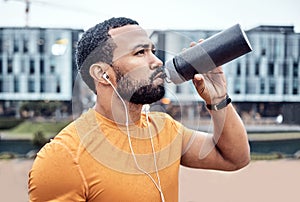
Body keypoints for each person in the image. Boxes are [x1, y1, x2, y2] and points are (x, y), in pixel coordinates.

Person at [28, 17, 250, 202]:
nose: (156, 61)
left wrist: (218, 98)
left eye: (152, 51)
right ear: (102, 74)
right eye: (140, 53)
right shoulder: (63, 157)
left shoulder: (166, 129)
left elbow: (235, 158)